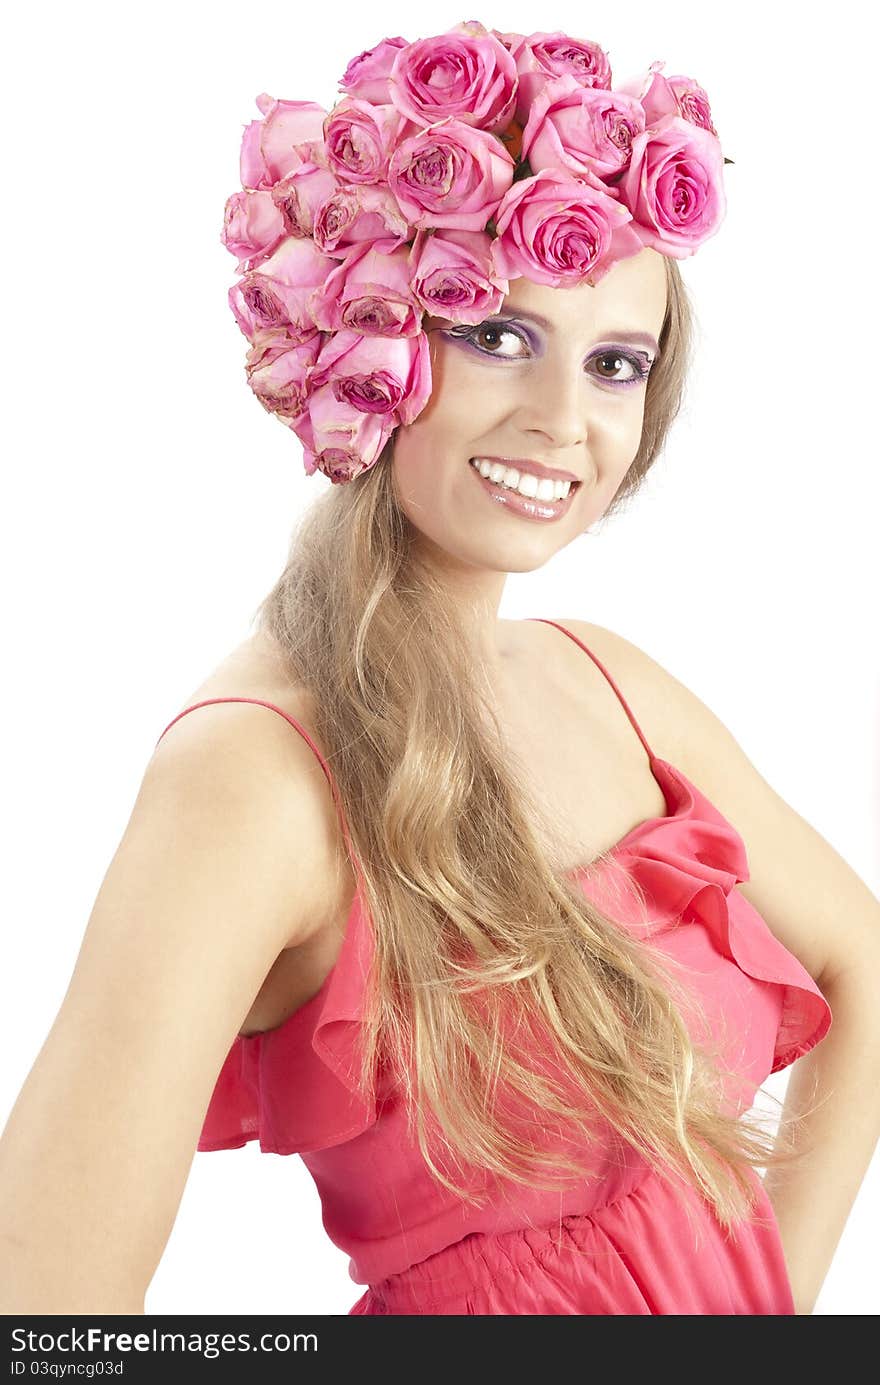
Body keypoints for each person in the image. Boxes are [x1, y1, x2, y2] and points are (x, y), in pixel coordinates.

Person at [1, 21, 877, 1318]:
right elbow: (47, 1308)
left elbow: (865, 955)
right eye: (500, 335)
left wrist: (763, 1311)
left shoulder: (613, 685)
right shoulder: (253, 773)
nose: (564, 420)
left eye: (616, 364)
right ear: (372, 338)